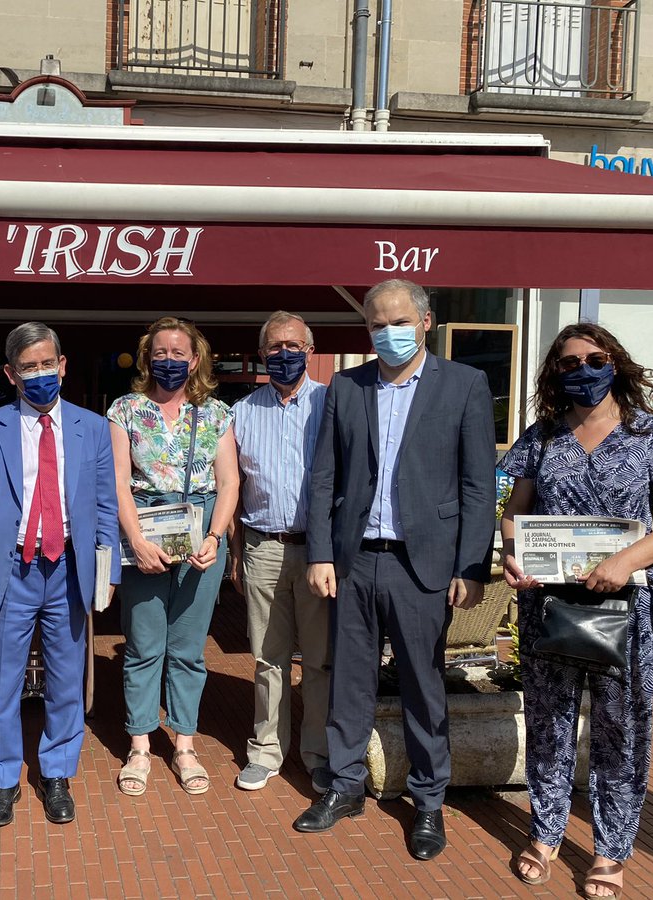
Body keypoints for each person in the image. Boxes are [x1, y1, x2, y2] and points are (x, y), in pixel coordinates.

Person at [296, 278, 496, 861]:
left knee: (422, 686)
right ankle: (346, 785)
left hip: (422, 564)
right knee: (348, 682)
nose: (388, 333)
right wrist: (322, 554)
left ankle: (429, 802)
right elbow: (324, 476)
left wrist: (471, 565)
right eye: (376, 324)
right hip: (356, 560)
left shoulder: (465, 385)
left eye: (398, 321)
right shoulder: (347, 387)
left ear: (425, 322)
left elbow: (479, 486)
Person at [499, 323, 653, 898]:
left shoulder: (650, 434)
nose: (582, 368)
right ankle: (546, 832)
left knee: (621, 729)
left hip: (629, 605)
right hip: (550, 603)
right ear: (555, 373)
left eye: (594, 358)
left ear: (615, 362)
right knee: (549, 720)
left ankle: (611, 849)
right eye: (568, 362)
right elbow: (516, 512)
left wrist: (628, 562)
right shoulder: (543, 436)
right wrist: (512, 554)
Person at [0, 323, 120, 827]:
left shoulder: (91, 428)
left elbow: (106, 506)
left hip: (69, 568)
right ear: (11, 374)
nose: (40, 374)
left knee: (67, 680)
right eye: (29, 367)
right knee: (3, 682)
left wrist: (107, 570)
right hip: (9, 571)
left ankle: (56, 775)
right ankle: (4, 780)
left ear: (64, 365)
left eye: (48, 363)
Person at [108, 317, 239, 797]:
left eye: (178, 353)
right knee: (144, 647)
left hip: (201, 528)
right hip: (145, 525)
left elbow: (229, 482)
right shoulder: (124, 410)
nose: (169, 360)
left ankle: (184, 743)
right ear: (147, 359)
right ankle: (140, 745)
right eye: (159, 353)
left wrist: (216, 535)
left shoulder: (218, 414)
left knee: (187, 649)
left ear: (195, 359)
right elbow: (119, 481)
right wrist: (136, 539)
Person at [229, 312, 329, 792]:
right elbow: (232, 486)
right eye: (274, 346)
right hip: (262, 548)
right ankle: (266, 750)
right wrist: (233, 547)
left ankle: (317, 751)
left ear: (310, 351)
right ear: (262, 353)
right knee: (268, 657)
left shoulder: (332, 404)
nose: (283, 354)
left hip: (319, 554)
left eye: (293, 345)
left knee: (318, 658)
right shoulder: (242, 412)